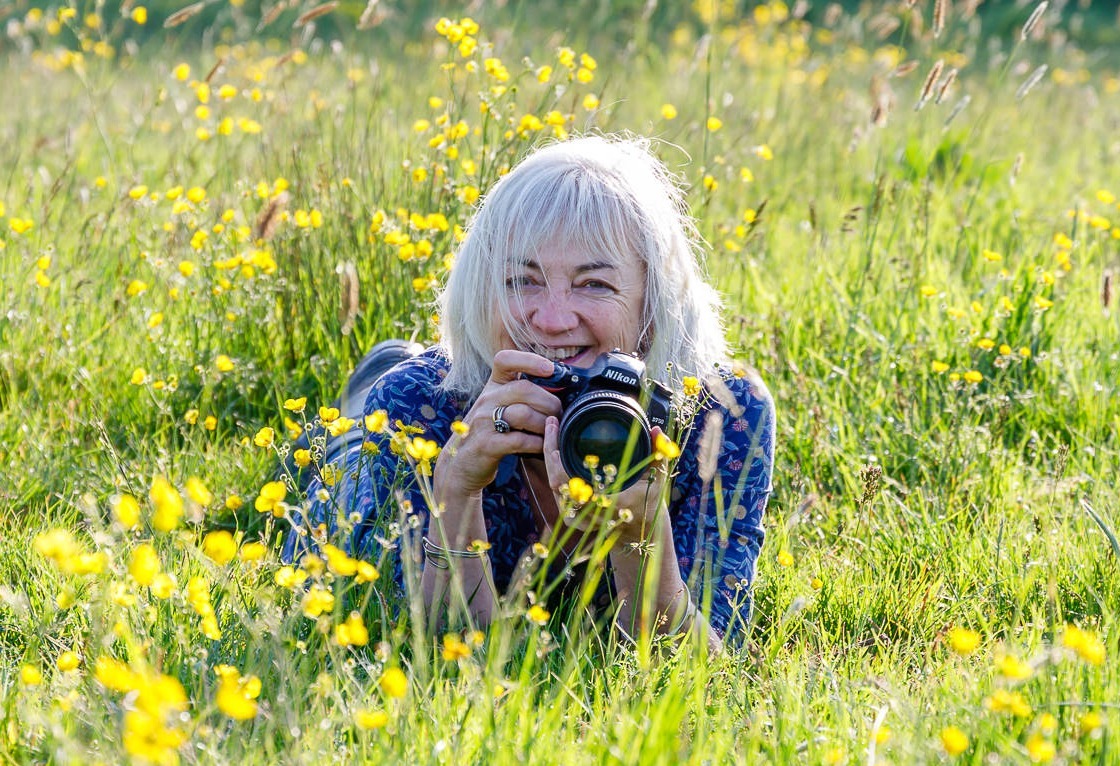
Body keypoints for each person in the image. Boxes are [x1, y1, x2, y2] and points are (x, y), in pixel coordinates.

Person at [284, 134, 775, 649]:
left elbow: (699, 667)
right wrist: (455, 487)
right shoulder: (418, 405)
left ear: (651, 308)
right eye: (522, 281)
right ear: (484, 290)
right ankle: (376, 370)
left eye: (594, 285)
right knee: (342, 438)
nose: (554, 319)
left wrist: (640, 536)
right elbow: (431, 651)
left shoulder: (722, 415)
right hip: (377, 429)